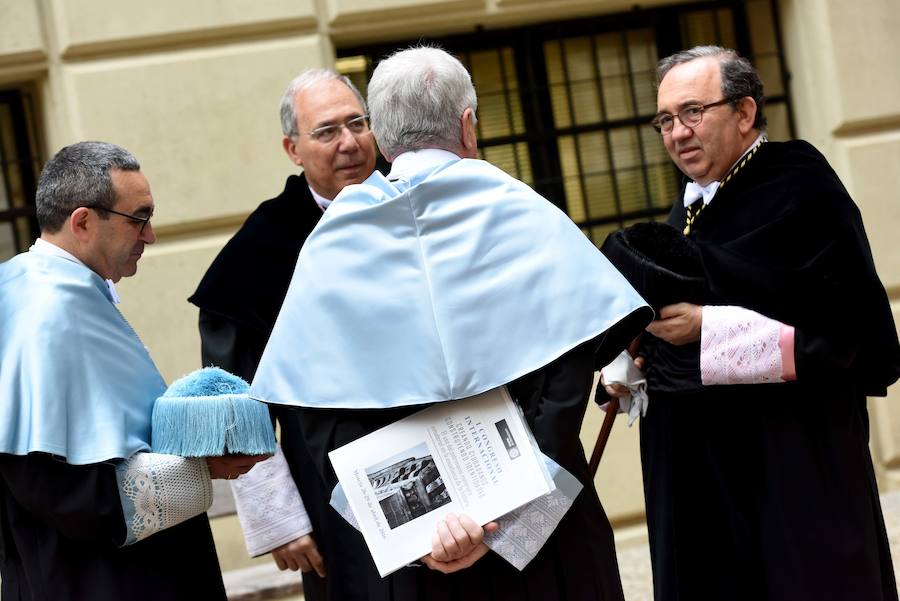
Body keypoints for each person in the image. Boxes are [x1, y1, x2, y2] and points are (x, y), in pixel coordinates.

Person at [250, 46, 653, 600]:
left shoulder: (331, 244)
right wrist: (506, 525)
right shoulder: (525, 213)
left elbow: (318, 417)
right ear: (468, 126)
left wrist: (414, 533)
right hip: (543, 544)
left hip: (418, 559)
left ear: (383, 140)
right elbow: (564, 393)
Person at [603, 46, 900, 601]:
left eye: (693, 112)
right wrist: (639, 355)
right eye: (665, 119)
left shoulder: (800, 185)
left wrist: (708, 330)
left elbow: (848, 334)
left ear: (744, 112)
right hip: (706, 480)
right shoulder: (688, 210)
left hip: (790, 467)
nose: (677, 133)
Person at [0, 141, 265, 601]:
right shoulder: (48, 311)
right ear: (82, 222)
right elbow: (59, 490)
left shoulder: (34, 288)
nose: (150, 236)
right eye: (138, 218)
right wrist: (203, 470)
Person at [188, 69, 378, 598]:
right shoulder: (260, 250)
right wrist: (280, 518)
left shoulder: (415, 203)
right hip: (330, 477)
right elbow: (235, 395)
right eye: (326, 132)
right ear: (292, 149)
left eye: (357, 124)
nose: (348, 143)